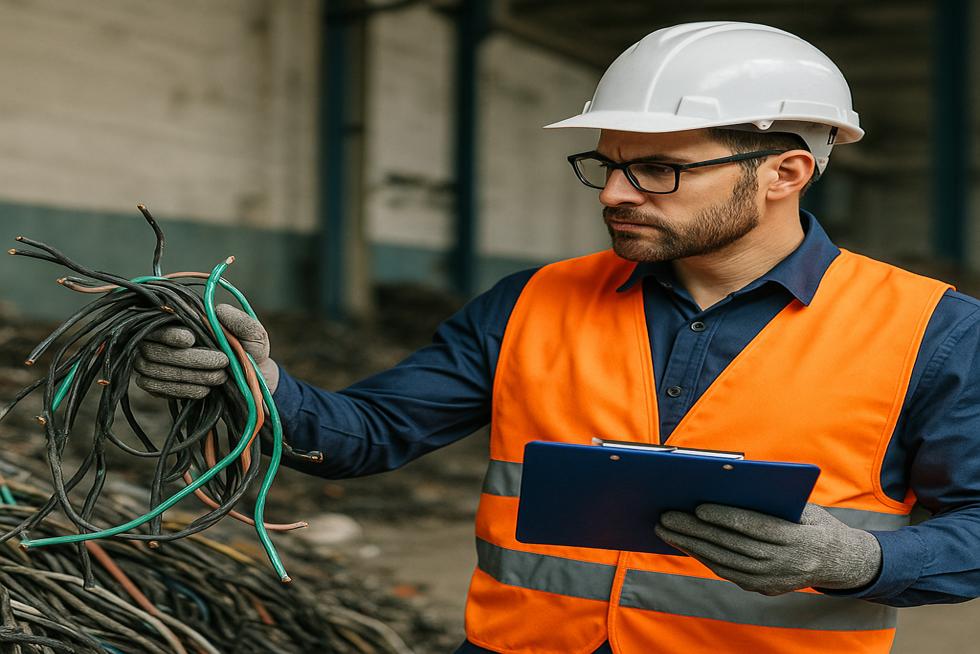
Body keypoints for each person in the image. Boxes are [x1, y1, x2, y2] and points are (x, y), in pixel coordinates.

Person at [133, 21, 980, 654]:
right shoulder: (534, 301)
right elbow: (368, 437)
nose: (614, 192)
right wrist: (255, 381)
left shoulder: (929, 331)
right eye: (607, 164)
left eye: (658, 168)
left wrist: (857, 559)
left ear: (785, 172)